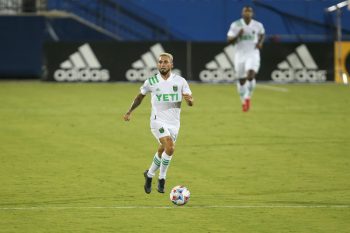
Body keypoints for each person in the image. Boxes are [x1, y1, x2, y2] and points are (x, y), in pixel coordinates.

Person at [123, 53, 194, 194]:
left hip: (174, 124)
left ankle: (149, 175)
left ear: (171, 65)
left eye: (165, 62)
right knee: (170, 147)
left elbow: (191, 102)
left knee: (163, 149)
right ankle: (162, 178)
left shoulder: (180, 81)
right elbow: (139, 97)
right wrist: (129, 111)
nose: (162, 64)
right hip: (157, 121)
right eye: (160, 62)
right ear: (157, 64)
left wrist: (189, 100)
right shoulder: (151, 81)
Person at [227, 6, 265, 112]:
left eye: (249, 11)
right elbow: (229, 41)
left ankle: (248, 98)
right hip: (240, 55)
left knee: (251, 76)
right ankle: (243, 101)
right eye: (245, 11)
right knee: (242, 80)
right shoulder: (235, 25)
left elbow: (262, 34)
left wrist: (260, 43)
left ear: (252, 14)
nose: (247, 13)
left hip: (253, 53)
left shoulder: (258, 25)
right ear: (242, 13)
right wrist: (238, 35)